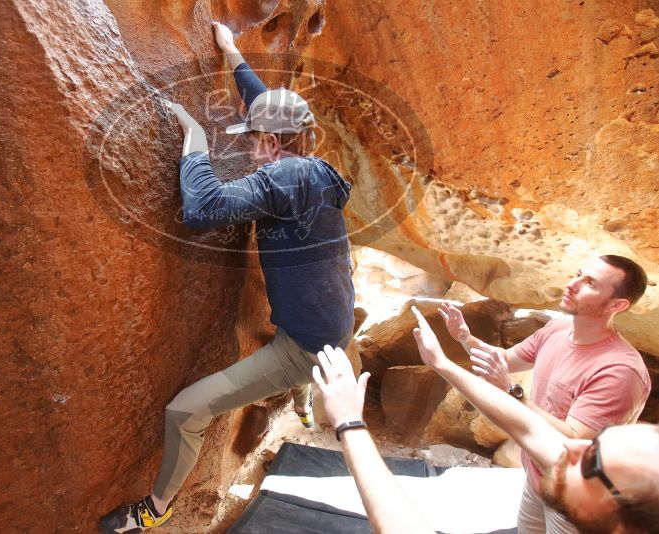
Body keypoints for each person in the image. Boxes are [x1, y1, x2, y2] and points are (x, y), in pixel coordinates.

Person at [98, 22, 355, 534]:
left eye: (256, 142)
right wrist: (232, 51)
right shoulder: (312, 168)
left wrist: (194, 140)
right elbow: (267, 105)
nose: (251, 150)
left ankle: (155, 510)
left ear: (272, 143)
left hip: (304, 349)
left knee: (184, 411)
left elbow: (203, 207)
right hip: (329, 328)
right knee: (294, 355)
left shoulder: (281, 175)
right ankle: (303, 399)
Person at [312, 313, 659, 534]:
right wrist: (443, 364)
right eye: (597, 441)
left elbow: (401, 527)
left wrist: (350, 424)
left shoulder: (620, 369)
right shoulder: (588, 480)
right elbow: (527, 428)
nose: (577, 447)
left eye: (594, 460)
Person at [437, 255, 650, 533]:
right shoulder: (557, 329)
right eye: (577, 274)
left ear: (617, 305)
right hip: (539, 479)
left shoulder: (619, 371)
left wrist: (512, 392)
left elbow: (572, 442)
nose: (572, 284)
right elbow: (504, 360)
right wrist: (464, 337)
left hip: (580, 499)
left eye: (590, 283)